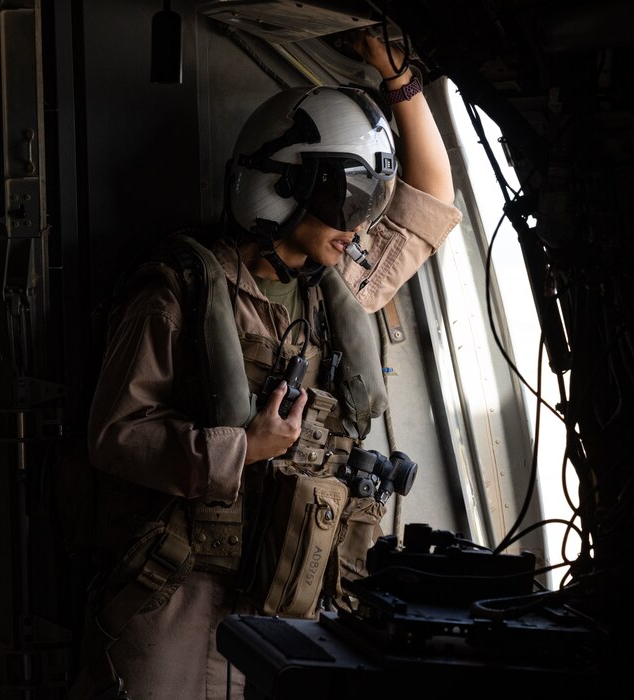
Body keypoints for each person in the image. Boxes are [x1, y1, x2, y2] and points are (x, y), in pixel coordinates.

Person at [67, 30, 461, 700]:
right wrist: (243, 448)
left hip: (293, 587)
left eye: (370, 202)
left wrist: (396, 75)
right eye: (348, 201)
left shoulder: (338, 290)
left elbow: (431, 201)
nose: (362, 224)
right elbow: (116, 435)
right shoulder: (178, 293)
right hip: (182, 593)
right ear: (285, 188)